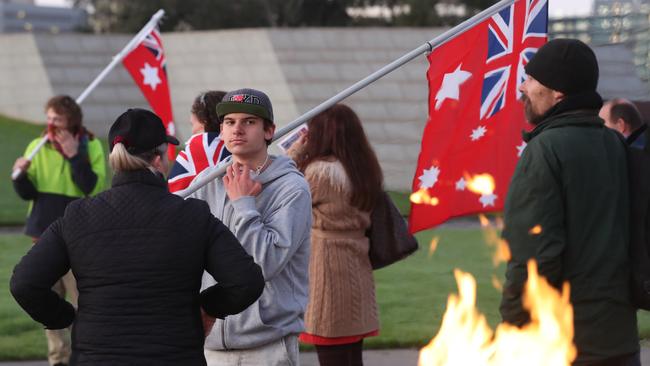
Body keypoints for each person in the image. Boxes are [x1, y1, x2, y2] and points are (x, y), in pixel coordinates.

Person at [10, 108, 265, 365]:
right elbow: (246, 281)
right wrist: (207, 307)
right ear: (158, 160)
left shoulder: (78, 215)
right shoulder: (192, 215)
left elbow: (25, 284)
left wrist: (66, 317)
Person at [499, 39, 639, 365]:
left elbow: (534, 256)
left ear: (557, 93)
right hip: (620, 338)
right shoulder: (617, 145)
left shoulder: (545, 150)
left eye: (532, 79)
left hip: (565, 345)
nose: (523, 86)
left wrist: (513, 322)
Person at [189, 88, 312, 366]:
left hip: (266, 345)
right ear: (221, 130)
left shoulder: (292, 188)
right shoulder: (206, 181)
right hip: (208, 344)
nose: (237, 130)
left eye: (249, 122)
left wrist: (244, 204)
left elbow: (264, 264)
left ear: (269, 131)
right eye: (230, 122)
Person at [11, 95, 106, 366]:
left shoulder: (90, 146)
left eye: (58, 119)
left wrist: (76, 155)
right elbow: (29, 194)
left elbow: (92, 188)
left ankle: (86, 354)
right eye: (49, 118)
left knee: (83, 303)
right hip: (43, 237)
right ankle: (59, 359)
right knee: (47, 303)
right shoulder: (37, 145)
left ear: (71, 121)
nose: (51, 124)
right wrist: (20, 176)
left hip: (79, 239)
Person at [287, 104, 382, 366]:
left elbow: (282, 197)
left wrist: (294, 154)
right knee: (352, 355)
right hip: (357, 262)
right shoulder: (364, 167)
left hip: (328, 268)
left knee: (331, 351)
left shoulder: (319, 172)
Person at [168, 90, 231, 193]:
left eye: (193, 124)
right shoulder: (241, 145)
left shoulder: (199, 146)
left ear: (204, 120)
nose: (192, 130)